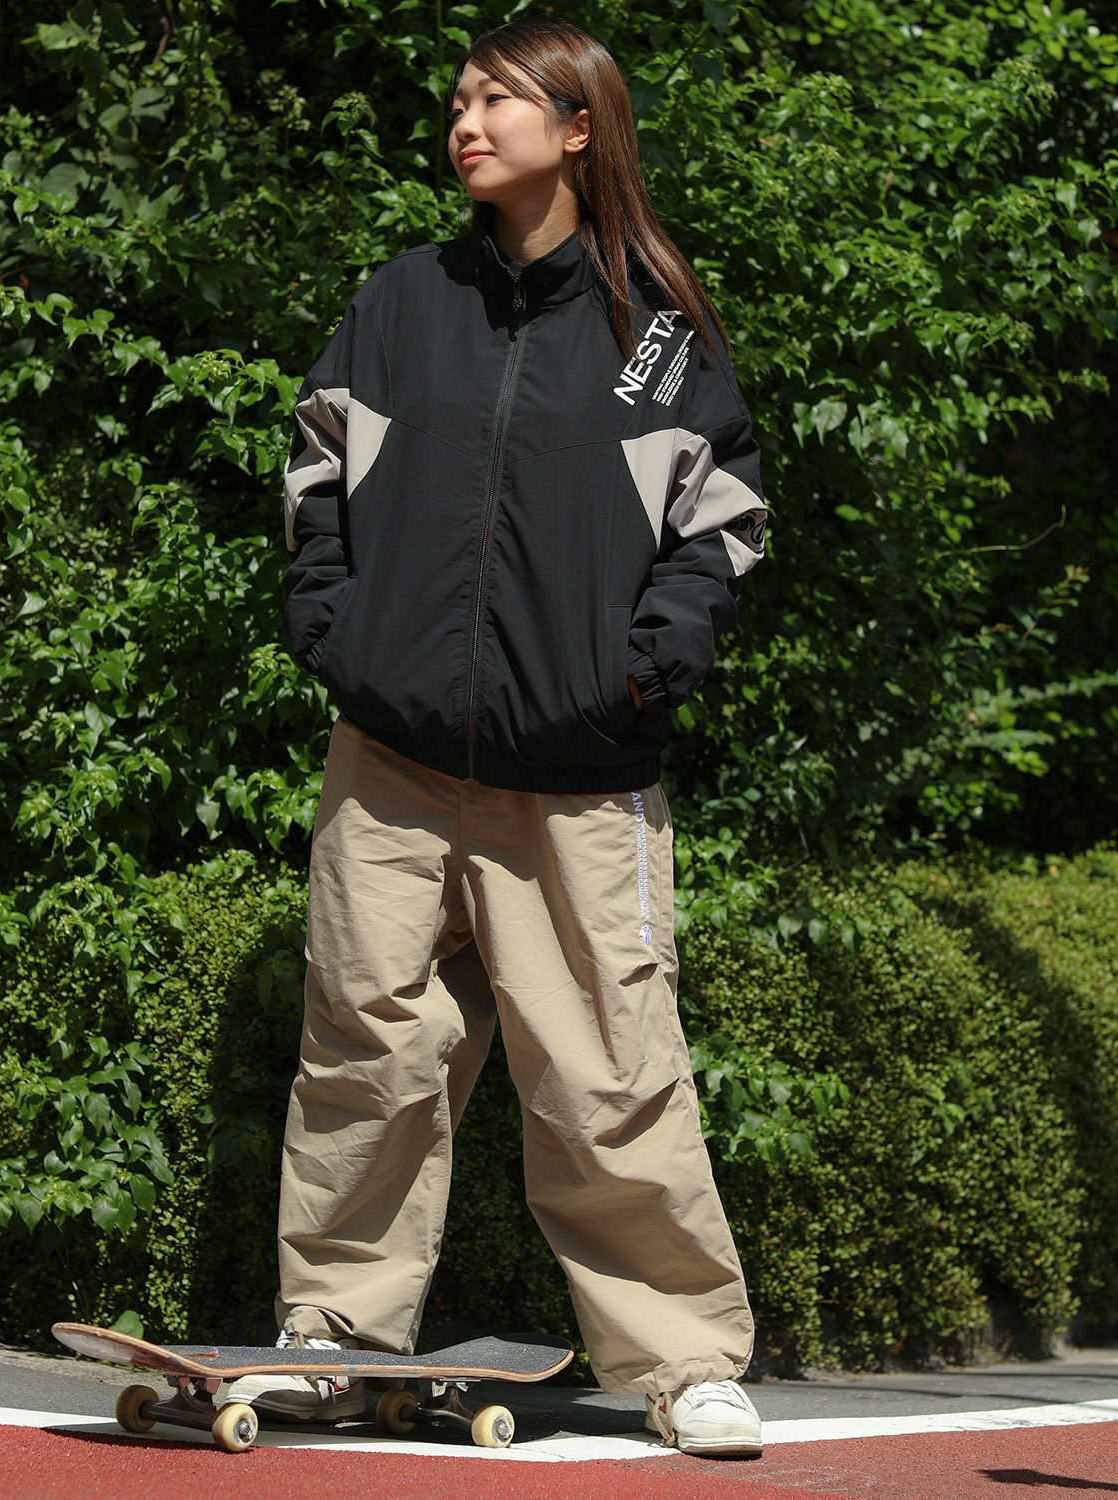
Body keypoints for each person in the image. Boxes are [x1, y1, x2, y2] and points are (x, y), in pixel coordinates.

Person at [223, 18, 769, 1458]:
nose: (465, 122)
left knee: (608, 1071)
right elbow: (315, 470)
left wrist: (641, 677)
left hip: (579, 771)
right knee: (366, 1050)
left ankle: (683, 1363)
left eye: (497, 100)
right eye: (458, 100)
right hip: (392, 757)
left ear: (578, 127)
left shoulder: (656, 335)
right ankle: (332, 1331)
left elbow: (720, 522)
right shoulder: (403, 302)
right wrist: (335, 629)